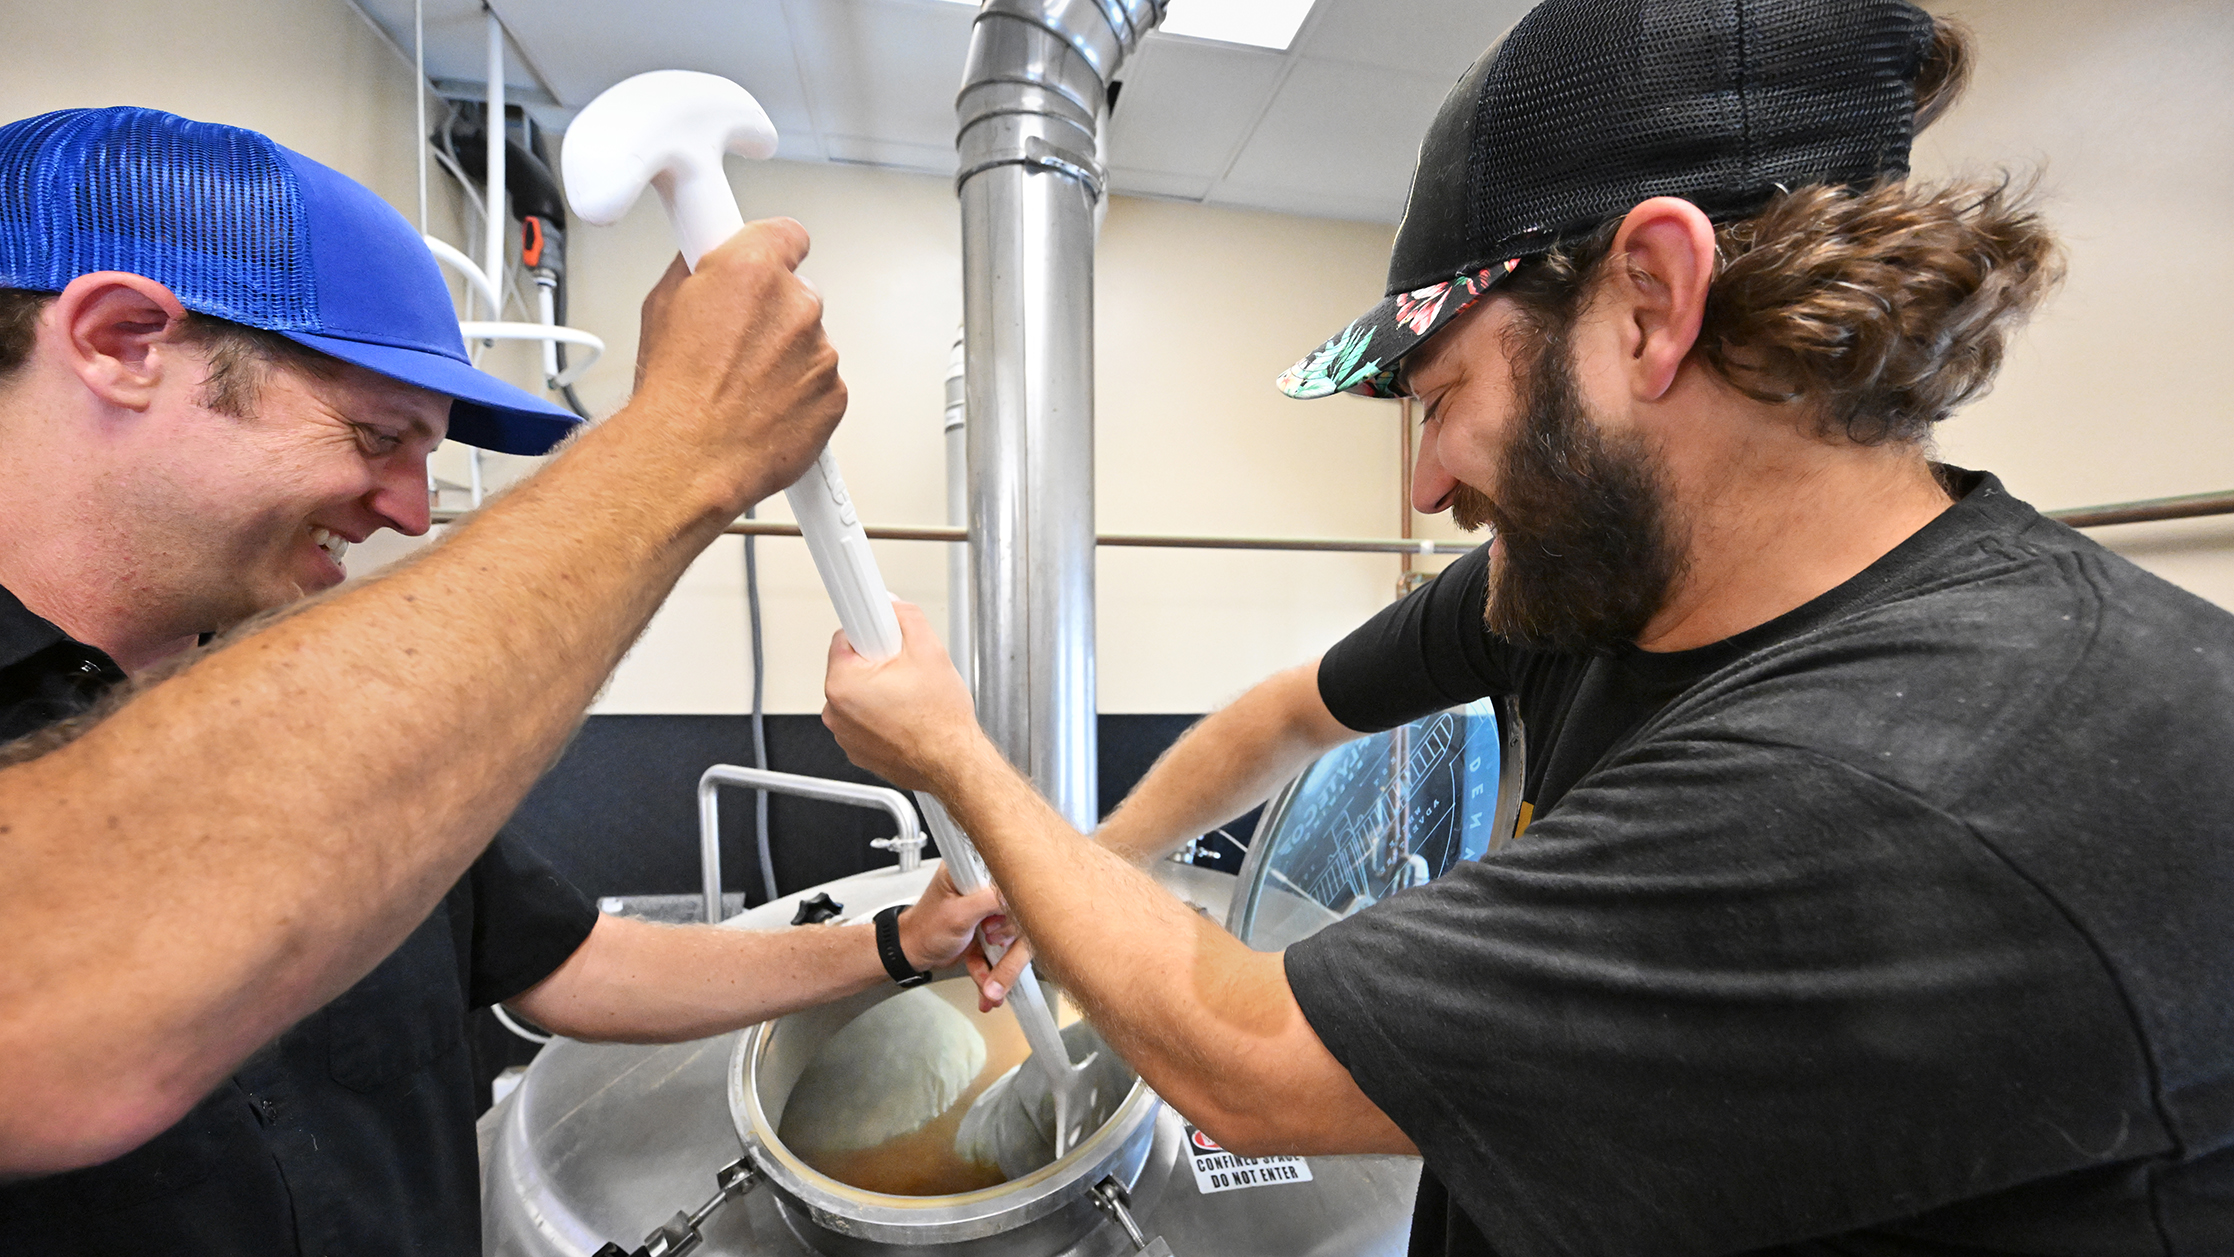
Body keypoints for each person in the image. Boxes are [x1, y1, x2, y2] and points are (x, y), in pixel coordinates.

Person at [823, 1, 2234, 1252]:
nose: (1426, 482)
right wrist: (1069, 875)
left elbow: (1241, 1055)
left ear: (1651, 300)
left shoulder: (1923, 770)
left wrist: (960, 762)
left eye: (1439, 394)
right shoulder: (1597, 577)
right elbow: (1287, 713)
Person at [0, 105, 1004, 1250]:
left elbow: (562, 963)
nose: (412, 513)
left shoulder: (303, 694)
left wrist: (889, 946)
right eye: (378, 436)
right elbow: (48, 1026)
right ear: (124, 341)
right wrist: (684, 443)